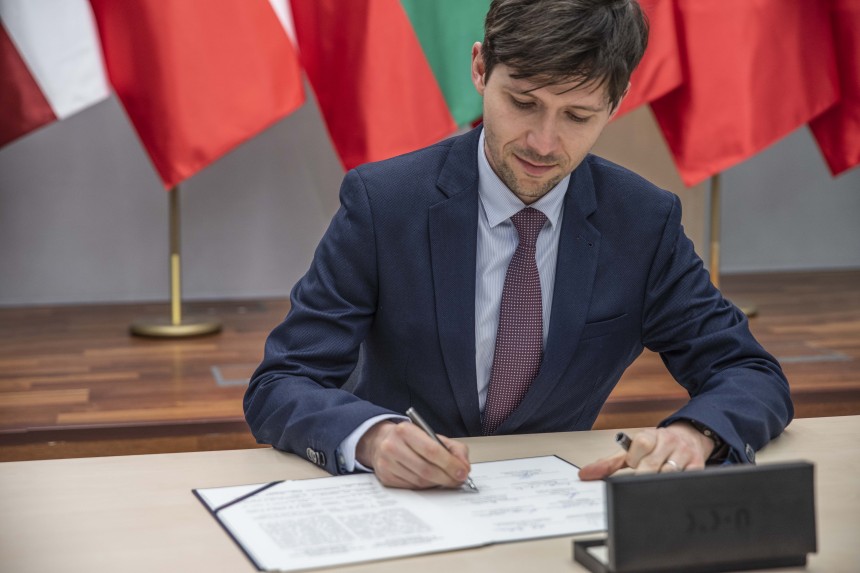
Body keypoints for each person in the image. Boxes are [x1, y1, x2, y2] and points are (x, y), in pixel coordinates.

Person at [244, 0, 792, 489]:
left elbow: (749, 372)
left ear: (617, 102)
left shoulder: (642, 223)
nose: (543, 143)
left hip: (553, 507)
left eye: (577, 115)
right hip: (395, 502)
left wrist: (696, 434)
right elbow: (282, 381)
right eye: (524, 103)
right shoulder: (384, 203)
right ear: (481, 68)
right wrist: (371, 438)